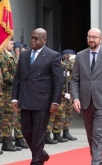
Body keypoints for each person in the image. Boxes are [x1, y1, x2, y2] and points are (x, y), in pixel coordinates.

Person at [12, 28, 64, 165]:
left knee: (38, 133)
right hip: (25, 99)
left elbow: (58, 80)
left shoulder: (53, 55)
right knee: (26, 131)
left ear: (44, 40)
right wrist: (15, 98)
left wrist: (55, 101)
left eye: (36, 38)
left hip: (43, 100)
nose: (33, 40)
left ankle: (36, 161)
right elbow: (18, 78)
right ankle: (41, 154)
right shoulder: (24, 55)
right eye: (32, 37)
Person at [71, 28, 102, 165]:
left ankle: (95, 162)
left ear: (100, 39)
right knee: (91, 135)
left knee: (98, 133)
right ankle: (98, 160)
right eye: (89, 37)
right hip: (86, 102)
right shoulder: (80, 56)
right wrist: (75, 98)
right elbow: (74, 79)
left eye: (95, 37)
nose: (91, 39)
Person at [0, 39, 23, 152]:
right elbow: (6, 76)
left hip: (12, 90)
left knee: (12, 117)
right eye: (10, 43)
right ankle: (6, 141)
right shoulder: (3, 57)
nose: (13, 45)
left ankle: (10, 139)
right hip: (7, 91)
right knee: (7, 117)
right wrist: (19, 81)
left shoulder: (10, 56)